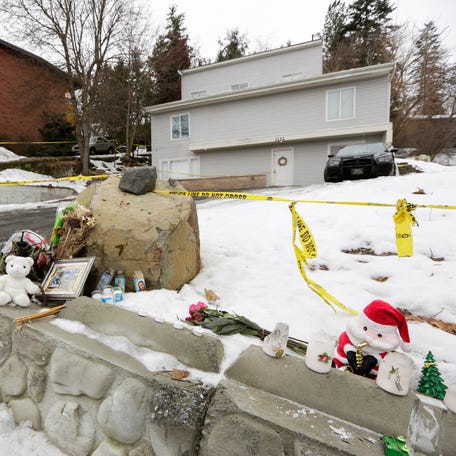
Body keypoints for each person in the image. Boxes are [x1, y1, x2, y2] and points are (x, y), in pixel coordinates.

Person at [333, 299, 410, 378]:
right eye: (365, 329)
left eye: (379, 335)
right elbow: (344, 339)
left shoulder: (383, 347)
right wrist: (349, 351)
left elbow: (385, 356)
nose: (369, 338)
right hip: (343, 364)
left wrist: (374, 359)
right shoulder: (353, 333)